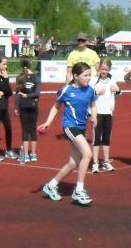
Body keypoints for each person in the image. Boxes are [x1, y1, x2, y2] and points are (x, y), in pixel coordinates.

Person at [39, 62, 98, 206]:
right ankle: (79, 190)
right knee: (88, 154)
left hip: (81, 128)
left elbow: (93, 105)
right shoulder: (66, 90)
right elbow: (56, 107)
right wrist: (48, 122)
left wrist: (94, 117)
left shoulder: (90, 90)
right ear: (76, 76)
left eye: (89, 75)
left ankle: (51, 185)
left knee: (73, 163)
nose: (88, 78)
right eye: (85, 75)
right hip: (70, 127)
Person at [90, 57, 121, 173]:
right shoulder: (94, 81)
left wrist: (118, 90)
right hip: (97, 113)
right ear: (99, 69)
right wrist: (96, 92)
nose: (104, 71)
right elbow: (88, 94)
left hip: (108, 113)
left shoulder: (112, 81)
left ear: (109, 70)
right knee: (97, 138)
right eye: (102, 69)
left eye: (106, 69)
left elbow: (118, 94)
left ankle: (106, 162)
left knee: (107, 138)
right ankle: (95, 162)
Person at [15, 56, 41, 164]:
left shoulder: (19, 77)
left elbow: (18, 94)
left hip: (23, 106)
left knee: (25, 130)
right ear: (31, 64)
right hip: (33, 105)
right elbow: (37, 93)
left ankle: (26, 155)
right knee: (32, 129)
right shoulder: (36, 77)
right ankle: (33, 154)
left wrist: (16, 107)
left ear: (21, 65)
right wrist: (29, 95)